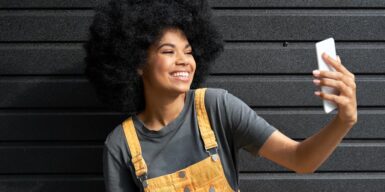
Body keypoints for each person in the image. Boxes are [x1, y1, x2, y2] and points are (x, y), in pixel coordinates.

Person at [84, 0, 358, 191]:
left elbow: (301, 159)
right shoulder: (120, 145)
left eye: (189, 51)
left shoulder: (216, 107)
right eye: (169, 51)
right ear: (137, 63)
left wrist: (343, 121)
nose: (184, 61)